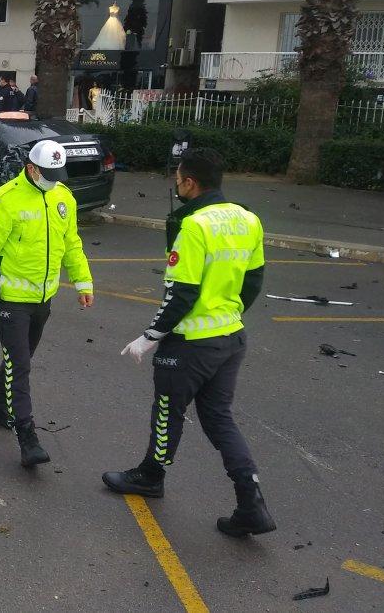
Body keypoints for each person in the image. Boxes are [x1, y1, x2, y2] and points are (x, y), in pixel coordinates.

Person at [104, 148, 275, 538]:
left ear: (190, 183)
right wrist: (224, 312)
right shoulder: (248, 219)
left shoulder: (194, 226)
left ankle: (150, 475)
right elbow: (252, 282)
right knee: (219, 418)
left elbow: (181, 293)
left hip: (191, 343)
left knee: (167, 410)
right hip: (230, 337)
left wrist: (149, 337)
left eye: (178, 178)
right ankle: (252, 504)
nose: (175, 184)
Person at [0, 140, 94, 467]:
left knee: (20, 358)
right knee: (21, 364)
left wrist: (83, 282)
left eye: (57, 175)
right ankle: (27, 436)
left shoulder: (62, 197)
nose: (53, 180)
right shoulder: (5, 200)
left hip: (43, 299)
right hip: (10, 300)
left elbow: (72, 245)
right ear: (31, 168)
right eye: (48, 174)